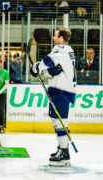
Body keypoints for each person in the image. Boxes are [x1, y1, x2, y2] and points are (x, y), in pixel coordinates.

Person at [30, 27, 76, 167]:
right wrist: (48, 71)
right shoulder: (69, 51)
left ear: (61, 38)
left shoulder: (60, 49)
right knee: (58, 121)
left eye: (55, 35)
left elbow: (47, 61)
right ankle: (62, 149)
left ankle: (64, 153)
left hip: (61, 91)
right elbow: (56, 69)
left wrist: (36, 68)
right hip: (61, 89)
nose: (53, 38)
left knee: (60, 122)